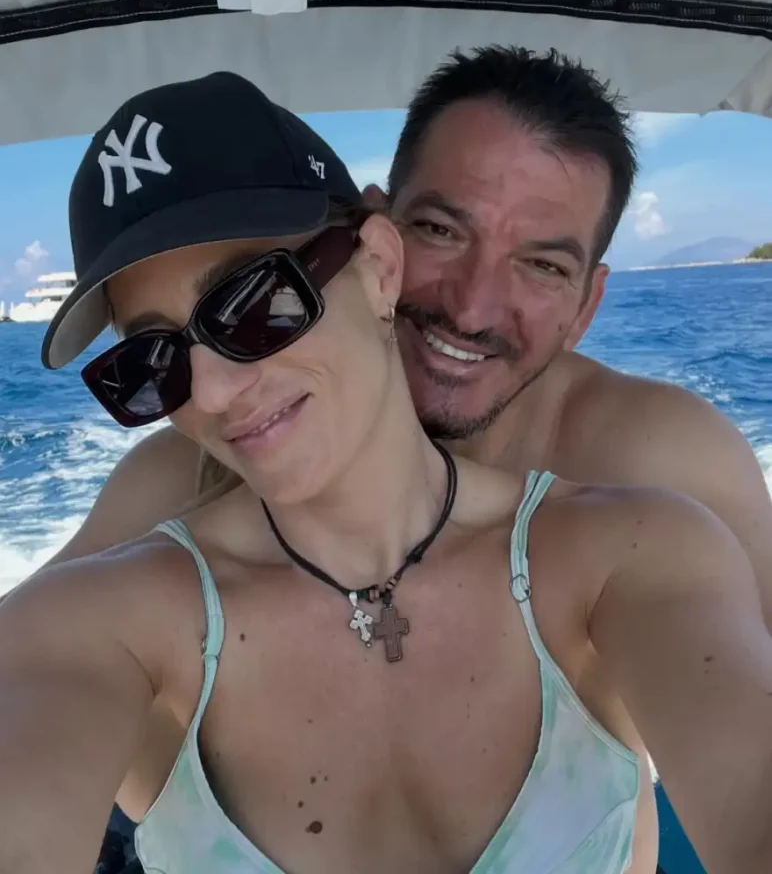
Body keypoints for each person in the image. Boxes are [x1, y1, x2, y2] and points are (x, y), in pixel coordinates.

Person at [2, 72, 772, 874]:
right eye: (150, 363)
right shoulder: (151, 520)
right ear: (389, 240)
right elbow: (42, 682)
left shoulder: (651, 502)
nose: (215, 392)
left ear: (376, 264)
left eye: (256, 303)